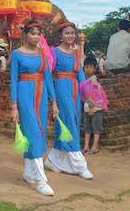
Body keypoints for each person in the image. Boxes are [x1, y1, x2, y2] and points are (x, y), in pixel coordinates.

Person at [10, 20, 58, 196]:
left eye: (39, 34)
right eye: (33, 33)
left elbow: (48, 78)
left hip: (42, 94)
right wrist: (14, 106)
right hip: (24, 93)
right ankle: (40, 180)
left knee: (40, 132)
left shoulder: (43, 54)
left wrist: (54, 101)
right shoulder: (16, 54)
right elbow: (13, 80)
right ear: (25, 35)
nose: (36, 37)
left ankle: (29, 172)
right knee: (34, 132)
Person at [45, 21, 93, 180]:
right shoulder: (53, 52)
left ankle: (53, 159)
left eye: (72, 33)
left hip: (75, 90)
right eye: (67, 33)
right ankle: (80, 166)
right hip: (61, 89)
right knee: (69, 122)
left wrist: (87, 95)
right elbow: (47, 75)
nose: (70, 36)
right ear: (60, 35)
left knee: (72, 123)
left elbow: (81, 75)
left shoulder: (76, 53)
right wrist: (52, 98)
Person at [80, 56, 108, 155]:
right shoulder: (85, 81)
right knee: (87, 129)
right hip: (88, 108)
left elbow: (93, 96)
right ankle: (86, 146)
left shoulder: (93, 81)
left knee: (96, 128)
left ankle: (95, 146)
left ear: (94, 69)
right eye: (86, 67)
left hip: (95, 108)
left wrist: (92, 107)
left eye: (90, 67)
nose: (88, 69)